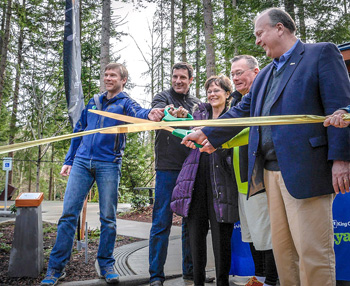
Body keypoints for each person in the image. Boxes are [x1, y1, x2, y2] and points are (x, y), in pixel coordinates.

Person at [182, 8, 350, 286]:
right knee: (284, 255)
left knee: (312, 253)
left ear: (280, 28)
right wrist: (206, 132)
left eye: (260, 33)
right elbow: (242, 113)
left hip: (306, 172)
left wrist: (342, 160)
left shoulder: (320, 54)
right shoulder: (265, 75)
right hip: (269, 175)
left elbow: (340, 109)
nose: (257, 41)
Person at [41, 63, 164, 286]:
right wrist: (69, 160)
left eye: (113, 75)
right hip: (81, 162)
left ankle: (106, 264)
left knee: (108, 218)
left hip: (109, 163)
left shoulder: (126, 103)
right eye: (106, 75)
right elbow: (79, 130)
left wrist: (153, 113)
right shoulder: (94, 101)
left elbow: (140, 113)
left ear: (123, 79)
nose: (108, 78)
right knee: (68, 215)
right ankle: (55, 269)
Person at [171, 75, 239, 286]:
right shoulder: (198, 114)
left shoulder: (234, 117)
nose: (212, 94)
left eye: (217, 90)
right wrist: (177, 117)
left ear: (228, 94)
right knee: (195, 237)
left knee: (222, 240)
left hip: (223, 182)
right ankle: (197, 281)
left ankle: (222, 282)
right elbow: (179, 128)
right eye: (209, 90)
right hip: (195, 182)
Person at [149, 62, 207, 286]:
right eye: (175, 77)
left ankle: (190, 272)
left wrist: (189, 115)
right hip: (166, 167)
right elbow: (160, 113)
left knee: (190, 222)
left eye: (183, 77)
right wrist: (170, 112)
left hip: (191, 167)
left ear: (191, 80)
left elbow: (201, 125)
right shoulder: (162, 97)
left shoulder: (196, 104)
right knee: (161, 221)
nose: (178, 81)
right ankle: (156, 276)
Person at [222, 55, 278, 286]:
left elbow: (255, 132)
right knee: (253, 238)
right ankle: (262, 280)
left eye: (240, 73)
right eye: (232, 74)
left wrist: (221, 141)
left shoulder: (264, 98)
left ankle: (272, 282)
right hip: (241, 183)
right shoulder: (239, 102)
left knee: (267, 238)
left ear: (256, 72)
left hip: (260, 181)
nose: (235, 78)